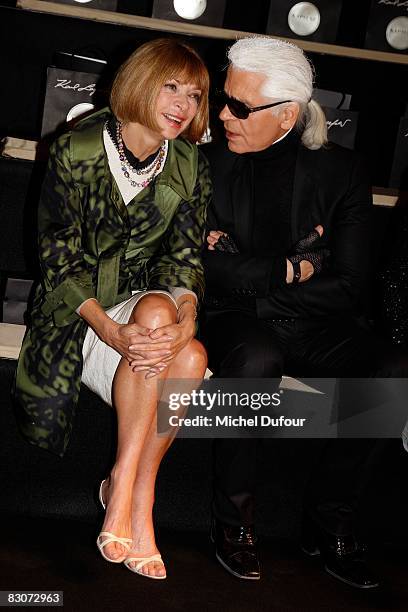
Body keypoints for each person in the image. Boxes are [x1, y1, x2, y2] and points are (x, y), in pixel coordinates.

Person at [201, 36, 408, 585]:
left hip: (313, 323)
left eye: (241, 107)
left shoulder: (342, 171)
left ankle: (328, 519)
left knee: (392, 370)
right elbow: (199, 271)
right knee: (256, 358)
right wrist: (290, 271)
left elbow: (351, 286)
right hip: (229, 321)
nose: (223, 114)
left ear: (288, 114)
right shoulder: (203, 162)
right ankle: (233, 523)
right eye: (226, 99)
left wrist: (251, 279)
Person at [14, 38, 211, 580]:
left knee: (186, 347)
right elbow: (56, 257)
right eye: (171, 87)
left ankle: (130, 486)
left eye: (194, 95)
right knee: (178, 349)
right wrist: (110, 329)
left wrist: (187, 313)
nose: (182, 105)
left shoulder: (189, 162)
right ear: (140, 82)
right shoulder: (76, 148)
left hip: (150, 309)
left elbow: (186, 257)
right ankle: (133, 489)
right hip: (78, 310)